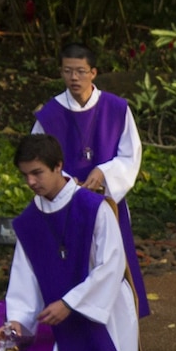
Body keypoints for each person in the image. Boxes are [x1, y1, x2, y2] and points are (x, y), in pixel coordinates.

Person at [3, 133, 146, 351]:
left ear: (58, 166)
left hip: (104, 313)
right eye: (25, 174)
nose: (30, 182)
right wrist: (17, 320)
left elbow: (112, 264)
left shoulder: (93, 206)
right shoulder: (29, 222)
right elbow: (24, 276)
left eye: (37, 172)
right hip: (61, 320)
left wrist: (71, 303)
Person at [32, 43, 150, 321]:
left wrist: (105, 173)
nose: (74, 78)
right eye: (67, 71)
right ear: (61, 73)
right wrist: (61, 182)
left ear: (93, 72)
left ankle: (120, 321)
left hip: (108, 203)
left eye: (80, 71)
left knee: (112, 262)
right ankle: (73, 318)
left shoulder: (117, 108)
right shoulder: (49, 115)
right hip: (66, 204)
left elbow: (130, 154)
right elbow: (37, 159)